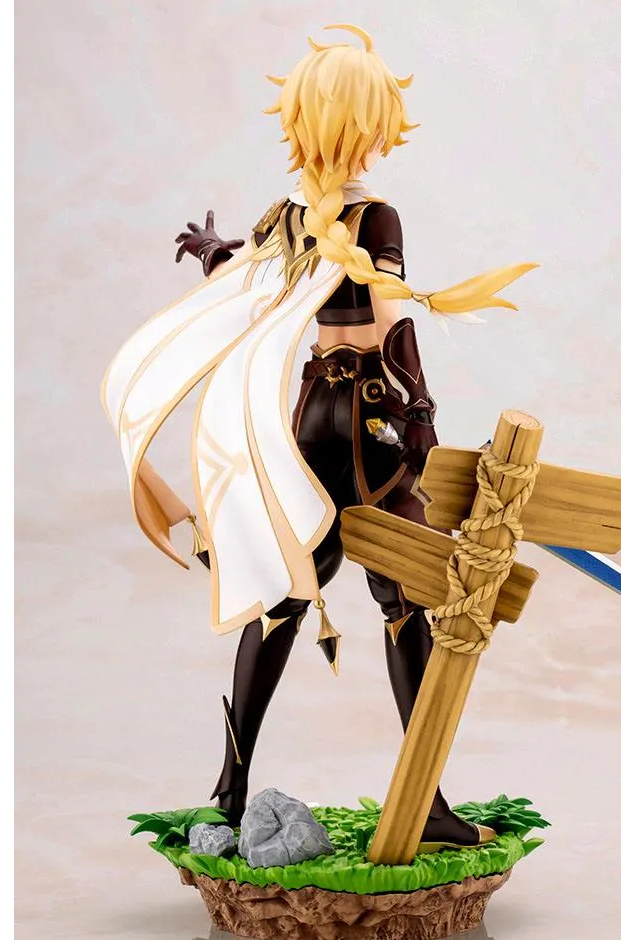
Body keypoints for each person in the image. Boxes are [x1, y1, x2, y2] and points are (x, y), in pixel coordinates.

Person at [102, 24, 535, 850]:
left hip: (312, 411)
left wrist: (219, 250)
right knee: (404, 597)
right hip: (371, 416)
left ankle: (230, 794)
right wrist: (420, 414)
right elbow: (388, 315)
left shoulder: (293, 215)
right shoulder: (371, 215)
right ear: (365, 125)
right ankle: (426, 803)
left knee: (287, 590)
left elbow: (254, 276)